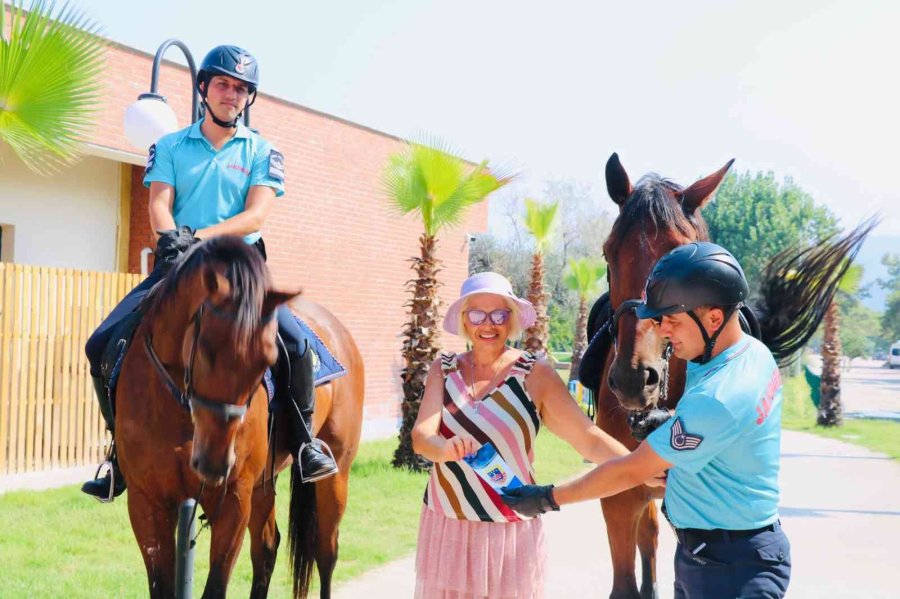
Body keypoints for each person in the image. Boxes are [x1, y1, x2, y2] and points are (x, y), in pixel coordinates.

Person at [81, 45, 337, 502]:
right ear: (203, 88)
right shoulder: (170, 146)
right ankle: (119, 454)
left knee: (296, 344)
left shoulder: (263, 151)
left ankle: (304, 445)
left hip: (241, 272)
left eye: (241, 89)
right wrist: (171, 237)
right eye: (223, 84)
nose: (231, 94)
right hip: (178, 267)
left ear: (248, 98)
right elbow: (159, 202)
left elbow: (256, 215)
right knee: (100, 343)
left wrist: (197, 235)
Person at [503, 242, 792, 598]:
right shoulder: (749, 353)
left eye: (673, 320)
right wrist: (670, 420)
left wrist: (546, 497)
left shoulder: (716, 398)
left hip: (730, 570)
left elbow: (629, 472)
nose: (663, 331)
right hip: (715, 555)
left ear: (714, 318)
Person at [411, 272, 640, 598]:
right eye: (476, 314)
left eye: (499, 314)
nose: (488, 324)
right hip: (448, 527)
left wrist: (642, 466)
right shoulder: (443, 369)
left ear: (512, 318)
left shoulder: (535, 374)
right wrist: (446, 449)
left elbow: (588, 438)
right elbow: (421, 438)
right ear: (463, 319)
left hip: (509, 530)